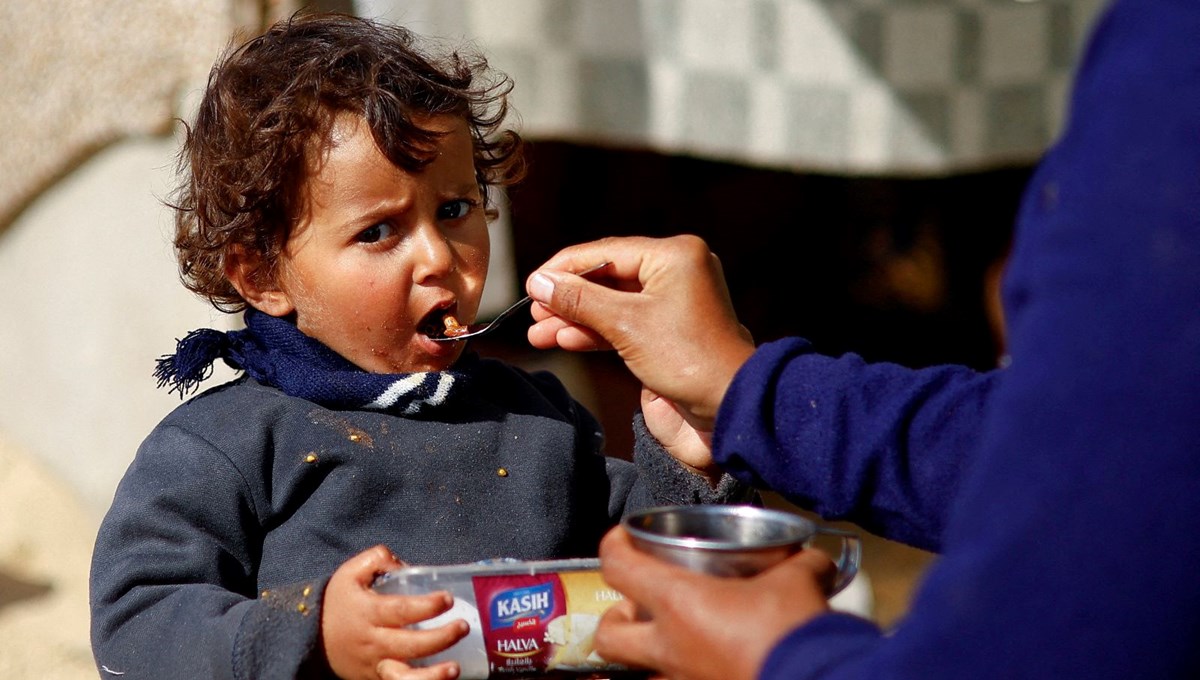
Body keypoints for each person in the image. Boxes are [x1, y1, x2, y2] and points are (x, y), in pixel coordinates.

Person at [521, 0, 1200, 678]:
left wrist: (784, 659)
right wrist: (746, 392)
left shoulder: (1172, 67)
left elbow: (1068, 605)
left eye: (459, 209)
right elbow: (1075, 445)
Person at [88, 12, 751, 680]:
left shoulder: (538, 421)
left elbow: (661, 592)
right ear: (261, 274)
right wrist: (315, 634)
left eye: (456, 209)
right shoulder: (225, 446)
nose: (438, 256)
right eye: (379, 231)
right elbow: (135, 622)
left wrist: (688, 457)